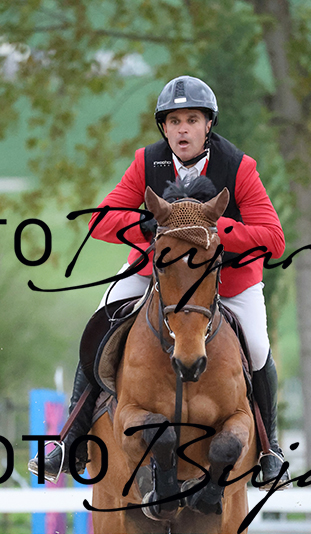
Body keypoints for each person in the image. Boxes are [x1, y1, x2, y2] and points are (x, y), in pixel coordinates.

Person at [29, 75, 289, 489]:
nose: (182, 130)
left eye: (192, 120)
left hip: (228, 279)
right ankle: (69, 440)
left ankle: (269, 449)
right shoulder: (147, 162)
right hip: (158, 274)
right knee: (101, 322)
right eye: (174, 122)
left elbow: (274, 238)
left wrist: (214, 228)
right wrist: (146, 226)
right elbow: (101, 221)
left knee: (256, 346)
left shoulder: (239, 167)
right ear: (164, 128)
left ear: (208, 125)